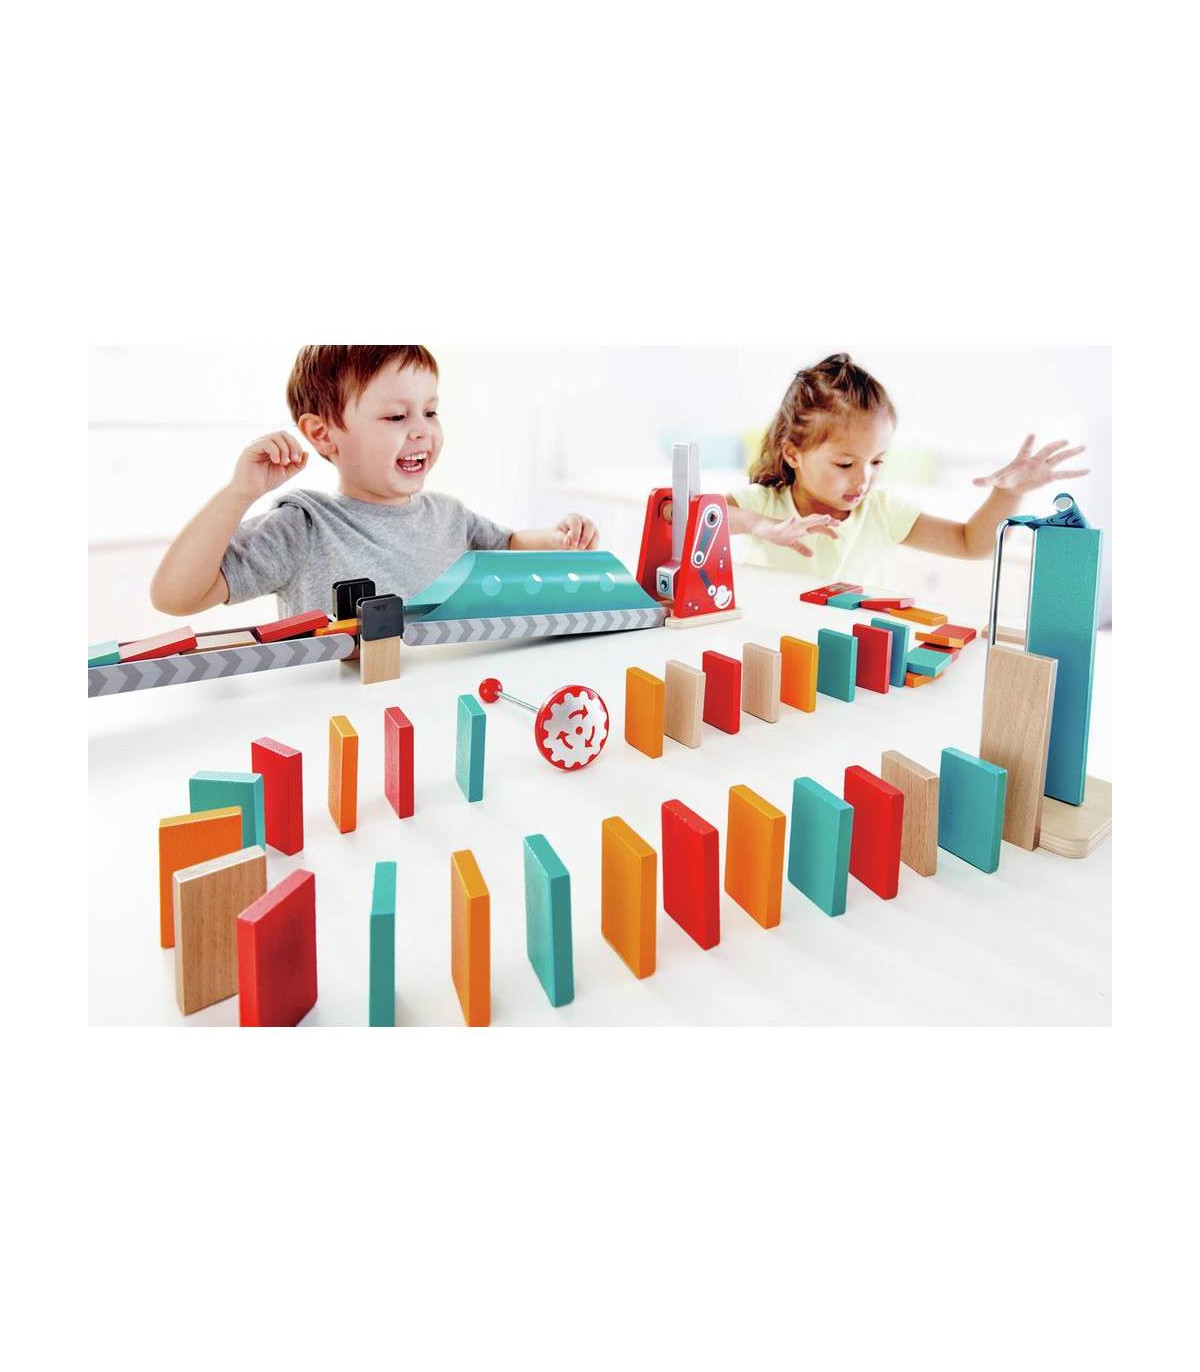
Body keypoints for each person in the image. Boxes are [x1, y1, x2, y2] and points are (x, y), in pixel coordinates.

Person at [150, 345, 599, 619]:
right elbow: (175, 596)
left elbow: (509, 545)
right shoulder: (305, 526)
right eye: (397, 416)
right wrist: (239, 493)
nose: (421, 429)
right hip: (342, 723)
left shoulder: (449, 516)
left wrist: (558, 539)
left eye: (430, 411)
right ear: (323, 433)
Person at [727, 353, 1089, 585]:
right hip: (775, 650)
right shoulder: (764, 504)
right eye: (845, 463)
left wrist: (1008, 493)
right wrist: (759, 525)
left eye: (877, 462)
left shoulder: (882, 512)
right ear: (793, 454)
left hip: (856, 657)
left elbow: (971, 543)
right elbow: (698, 516)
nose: (863, 479)